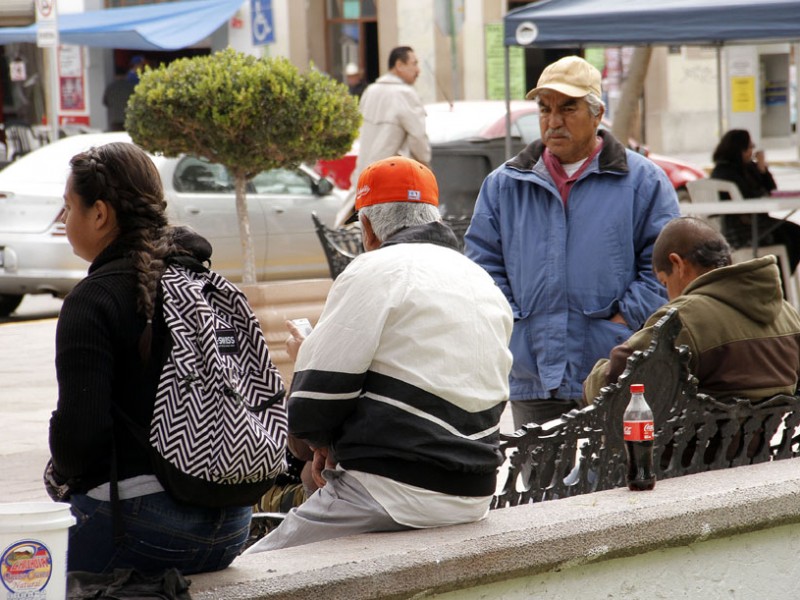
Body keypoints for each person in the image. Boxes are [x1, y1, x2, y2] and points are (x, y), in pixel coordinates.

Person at [245, 156, 513, 552]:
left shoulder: (373, 271)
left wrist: (318, 433)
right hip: (473, 495)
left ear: (367, 227)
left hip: (392, 491)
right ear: (432, 216)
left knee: (252, 575)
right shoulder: (479, 279)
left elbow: (309, 410)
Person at [47, 142, 254, 574]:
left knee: (21, 564)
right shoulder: (201, 277)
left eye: (69, 208)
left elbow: (78, 443)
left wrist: (57, 468)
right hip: (233, 526)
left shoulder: (93, 299)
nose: (64, 220)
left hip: (140, 530)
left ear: (100, 213)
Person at [464, 55, 680, 430]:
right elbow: (482, 265)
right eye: (545, 108)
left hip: (615, 366)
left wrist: (625, 316)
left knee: (613, 484)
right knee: (539, 486)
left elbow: (662, 266)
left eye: (568, 107)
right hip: (532, 372)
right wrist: (514, 323)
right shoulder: (505, 183)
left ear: (597, 114)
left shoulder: (645, 181)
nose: (554, 119)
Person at [583, 216, 800, 403]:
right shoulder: (788, 314)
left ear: (677, 264)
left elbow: (614, 383)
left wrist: (591, 380)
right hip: (767, 450)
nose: (667, 295)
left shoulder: (685, 318)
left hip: (695, 450)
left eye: (664, 282)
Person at [710, 128, 800, 272]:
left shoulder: (748, 168)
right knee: (789, 238)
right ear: (740, 149)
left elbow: (771, 190)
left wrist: (762, 169)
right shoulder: (724, 172)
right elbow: (748, 197)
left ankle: (782, 280)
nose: (752, 151)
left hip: (758, 223)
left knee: (793, 234)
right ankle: (779, 280)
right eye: (750, 147)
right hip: (741, 229)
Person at [352, 46, 431, 187]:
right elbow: (418, 138)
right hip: (392, 181)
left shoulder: (370, 91)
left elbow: (359, 134)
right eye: (414, 63)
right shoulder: (405, 94)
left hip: (363, 179)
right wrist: (425, 167)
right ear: (399, 65)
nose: (418, 70)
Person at [102, 56, 145, 131]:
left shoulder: (110, 87)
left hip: (114, 119)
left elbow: (105, 102)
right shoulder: (130, 86)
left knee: (116, 140)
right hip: (127, 118)